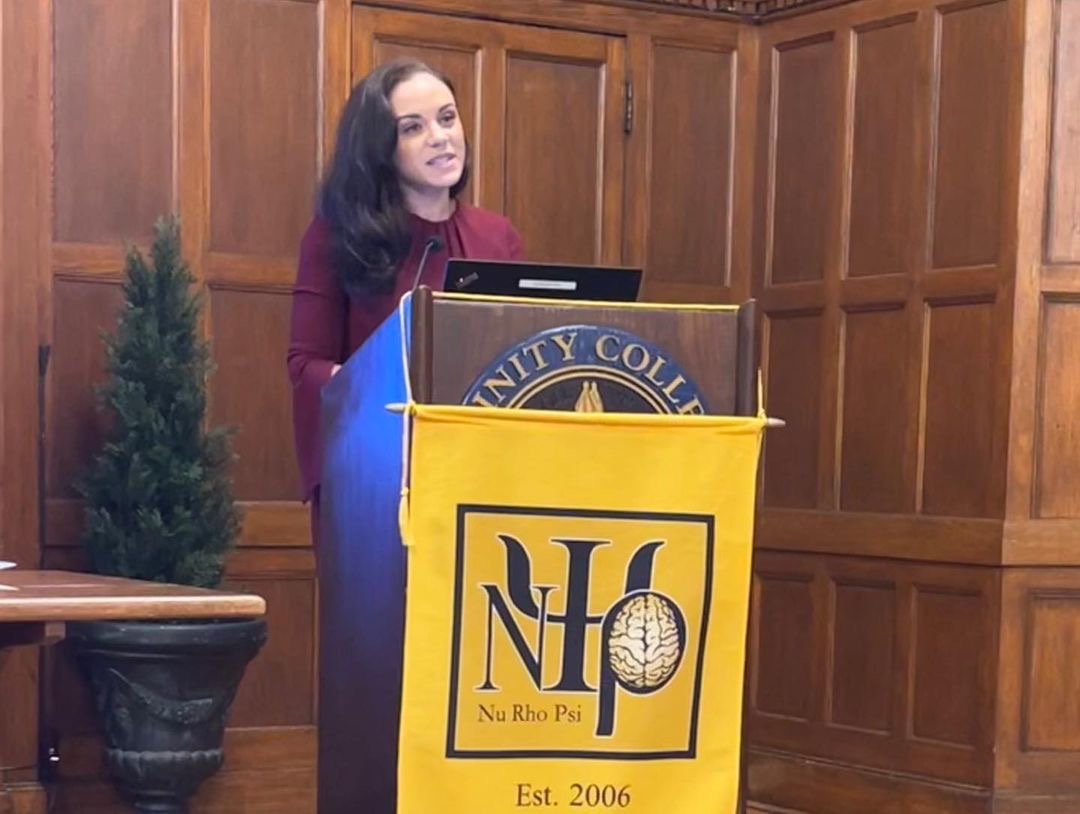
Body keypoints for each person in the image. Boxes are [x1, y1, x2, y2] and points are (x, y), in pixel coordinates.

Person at [287, 59, 524, 542]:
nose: (440, 137)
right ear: (381, 150)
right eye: (413, 128)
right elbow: (306, 363)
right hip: (374, 477)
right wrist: (377, 387)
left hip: (476, 477)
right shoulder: (337, 236)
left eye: (448, 118)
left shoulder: (497, 238)